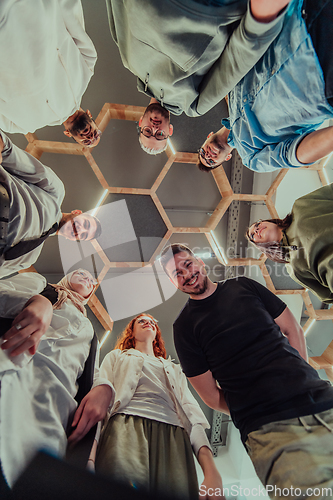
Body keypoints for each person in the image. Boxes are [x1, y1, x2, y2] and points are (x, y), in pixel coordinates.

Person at [160, 243, 333, 498]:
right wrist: (250, 406)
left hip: (323, 400)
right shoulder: (184, 327)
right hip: (269, 429)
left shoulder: (244, 285)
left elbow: (291, 328)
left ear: (200, 262)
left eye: (187, 264)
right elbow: (210, 396)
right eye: (177, 274)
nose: (186, 274)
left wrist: (301, 373)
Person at [68, 313, 223, 500]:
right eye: (141, 321)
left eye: (152, 322)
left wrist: (211, 472)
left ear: (156, 333)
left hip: (175, 439)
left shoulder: (174, 369)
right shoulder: (116, 356)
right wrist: (90, 459)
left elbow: (193, 416)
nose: (148, 322)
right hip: (124, 430)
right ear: (131, 332)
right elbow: (101, 407)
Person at [106, 0, 290, 154]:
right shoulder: (192, 105)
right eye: (160, 135)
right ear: (169, 130)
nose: (154, 129)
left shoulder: (129, 61)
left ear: (140, 122)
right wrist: (261, 21)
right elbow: (234, 65)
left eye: (147, 132)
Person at [0, 269, 111, 490]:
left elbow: (92, 371)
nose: (87, 278)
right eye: (81, 273)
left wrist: (104, 388)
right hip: (9, 367)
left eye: (91, 280)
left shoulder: (91, 332)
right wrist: (36, 300)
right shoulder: (39, 286)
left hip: (52, 406)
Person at [197, 0, 333, 172]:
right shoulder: (252, 159)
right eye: (210, 162)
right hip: (322, 87)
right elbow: (291, 154)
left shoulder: (229, 92)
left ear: (207, 137)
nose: (208, 155)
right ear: (227, 158)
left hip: (303, 19)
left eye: (202, 152)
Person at [0, 131, 101, 278]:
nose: (80, 230)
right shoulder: (56, 191)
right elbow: (9, 151)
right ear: (77, 212)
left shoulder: (30, 257)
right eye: (85, 224)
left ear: (73, 239)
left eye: (83, 235)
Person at [0, 0, 100, 147]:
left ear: (67, 133)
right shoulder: (87, 66)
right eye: (96, 135)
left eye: (86, 142)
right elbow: (71, 12)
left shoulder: (20, 126)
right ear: (90, 114)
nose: (90, 136)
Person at [246, 183, 333, 304]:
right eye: (252, 235)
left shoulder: (301, 207)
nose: (256, 229)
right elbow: (327, 296)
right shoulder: (294, 269)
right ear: (261, 246)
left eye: (257, 224)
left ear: (268, 221)